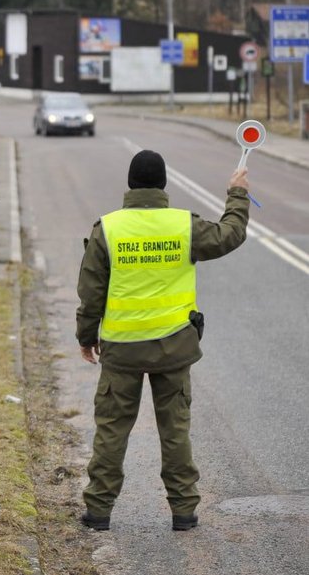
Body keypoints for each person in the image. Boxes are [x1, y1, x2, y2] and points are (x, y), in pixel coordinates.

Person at [76, 150, 250, 531]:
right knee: (175, 431)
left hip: (121, 351)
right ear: (163, 185)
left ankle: (99, 512)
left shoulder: (108, 229)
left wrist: (86, 337)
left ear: (130, 184)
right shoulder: (183, 226)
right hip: (173, 350)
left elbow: (91, 294)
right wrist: (237, 194)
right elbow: (230, 235)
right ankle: (184, 511)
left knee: (112, 431)